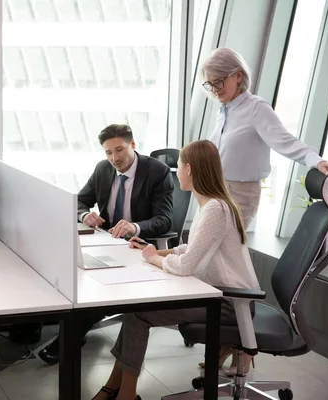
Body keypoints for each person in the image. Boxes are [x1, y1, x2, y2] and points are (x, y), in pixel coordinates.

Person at [201, 47, 328, 373]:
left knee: (231, 269)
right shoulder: (224, 109)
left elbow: (285, 141)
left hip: (241, 196)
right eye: (209, 85)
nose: (216, 89)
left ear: (239, 75)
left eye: (220, 81)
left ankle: (244, 347)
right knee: (222, 267)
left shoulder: (255, 109)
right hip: (218, 193)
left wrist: (315, 161)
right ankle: (234, 340)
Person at [92, 140, 260, 400]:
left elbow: (185, 267)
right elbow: (192, 248)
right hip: (220, 294)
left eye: (179, 166)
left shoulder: (215, 208)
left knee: (138, 314)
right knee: (134, 311)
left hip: (228, 303)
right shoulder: (214, 203)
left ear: (189, 169)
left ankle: (124, 394)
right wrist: (157, 250)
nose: (176, 172)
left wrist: (152, 259)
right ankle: (114, 387)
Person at [37, 123, 174, 364]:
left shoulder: (157, 171)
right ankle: (63, 329)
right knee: (69, 275)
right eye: (108, 152)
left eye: (119, 150)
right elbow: (78, 201)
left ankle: (68, 340)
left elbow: (164, 220)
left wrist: (135, 226)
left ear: (133, 145)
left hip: (138, 248)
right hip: (105, 242)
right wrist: (84, 215)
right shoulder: (103, 169)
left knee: (94, 292)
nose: (114, 158)